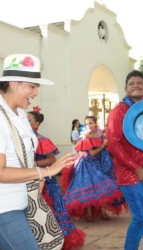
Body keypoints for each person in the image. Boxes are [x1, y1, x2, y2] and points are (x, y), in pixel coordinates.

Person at [0, 53, 74, 250]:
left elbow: (21, 158)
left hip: (22, 202)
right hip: (4, 208)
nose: (35, 93)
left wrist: (35, 176)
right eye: (32, 86)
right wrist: (46, 171)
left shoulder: (21, 115)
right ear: (13, 83)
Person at [107, 70, 143, 250]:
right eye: (132, 83)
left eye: (140, 82)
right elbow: (114, 145)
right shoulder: (118, 111)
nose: (136, 85)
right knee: (142, 217)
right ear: (126, 88)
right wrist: (137, 169)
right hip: (130, 173)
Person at [27, 110, 85, 250]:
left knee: (49, 211)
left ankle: (55, 239)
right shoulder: (21, 138)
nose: (25, 121)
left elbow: (51, 159)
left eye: (29, 120)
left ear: (37, 124)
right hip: (29, 180)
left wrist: (32, 165)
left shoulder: (42, 140)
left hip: (46, 182)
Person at [63, 116, 126, 222]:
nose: (89, 126)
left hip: (100, 163)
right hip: (87, 164)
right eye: (87, 124)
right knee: (88, 188)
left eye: (91, 123)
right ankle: (89, 214)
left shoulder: (101, 134)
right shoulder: (86, 136)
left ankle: (103, 212)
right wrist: (103, 146)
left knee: (102, 188)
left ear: (96, 123)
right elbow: (92, 153)